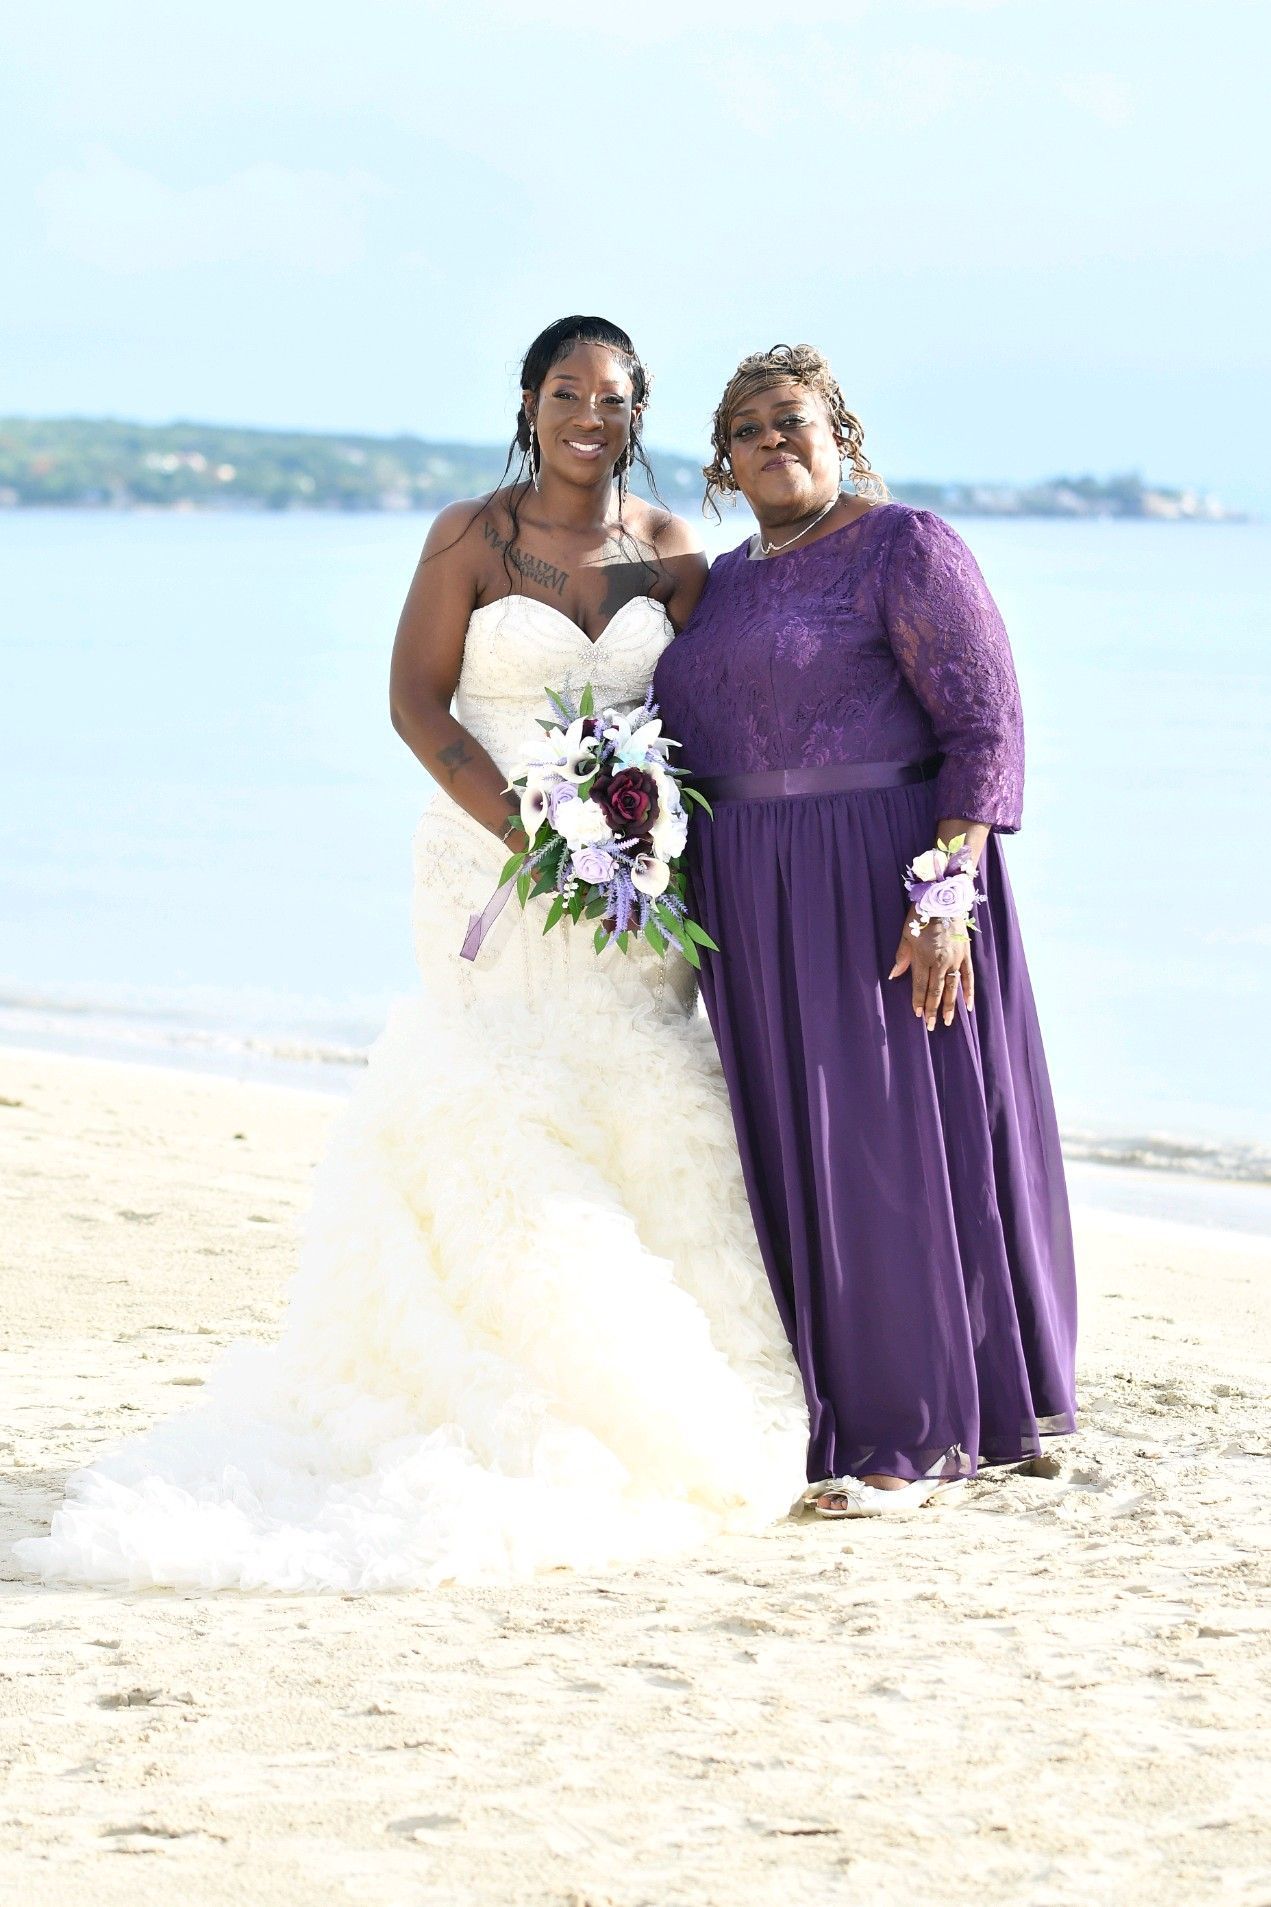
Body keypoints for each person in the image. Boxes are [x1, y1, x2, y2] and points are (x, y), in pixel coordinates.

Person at [15, 318, 806, 1592]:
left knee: (644, 1093)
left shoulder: (670, 552)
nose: (587, 417)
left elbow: (701, 713)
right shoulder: (469, 536)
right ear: (530, 403)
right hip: (486, 873)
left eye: (611, 398)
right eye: (565, 393)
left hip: (623, 890)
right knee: (495, 1093)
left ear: (636, 413)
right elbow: (415, 703)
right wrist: (531, 840)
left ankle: (680, 1362)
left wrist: (657, 840)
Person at [653, 343, 1077, 1518]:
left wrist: (945, 898)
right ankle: (837, 1408)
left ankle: (911, 1430)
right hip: (746, 895)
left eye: (788, 419)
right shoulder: (720, 584)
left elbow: (984, 727)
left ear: (836, 427)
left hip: (883, 888)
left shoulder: (907, 544)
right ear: (722, 464)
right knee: (797, 1151)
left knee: (889, 1151)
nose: (770, 441)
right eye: (745, 430)